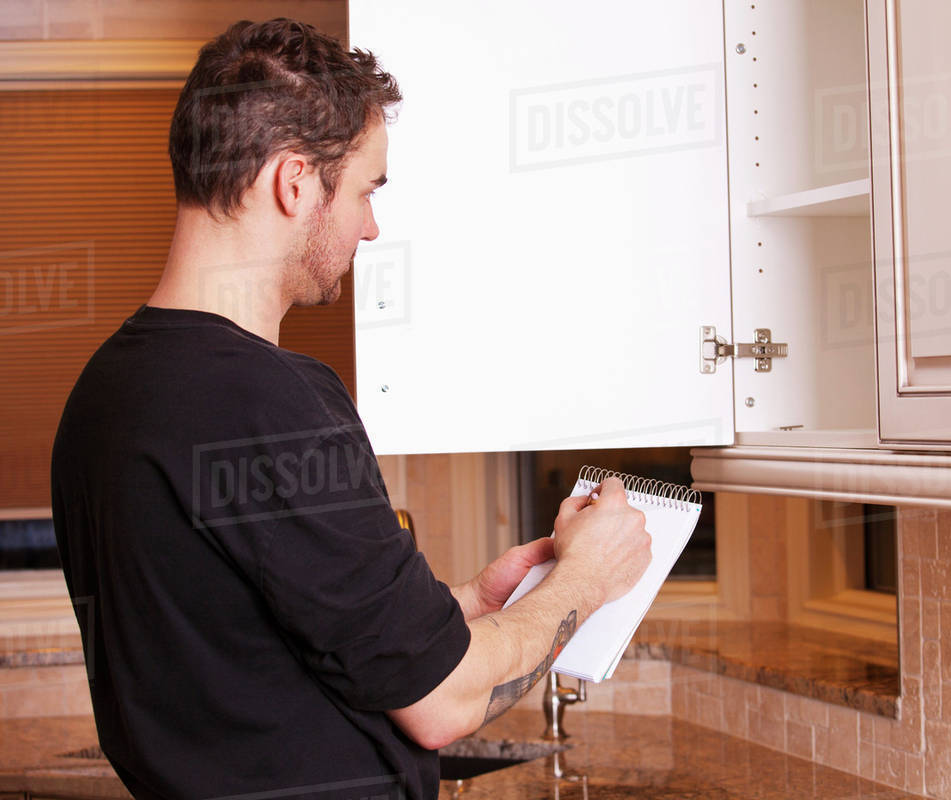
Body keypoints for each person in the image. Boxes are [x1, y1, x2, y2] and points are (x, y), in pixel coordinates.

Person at [50, 18, 651, 800]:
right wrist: (586, 582)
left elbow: (247, 640)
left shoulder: (103, 393)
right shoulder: (272, 399)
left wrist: (465, 605)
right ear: (295, 181)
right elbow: (443, 704)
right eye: (366, 189)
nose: (372, 225)